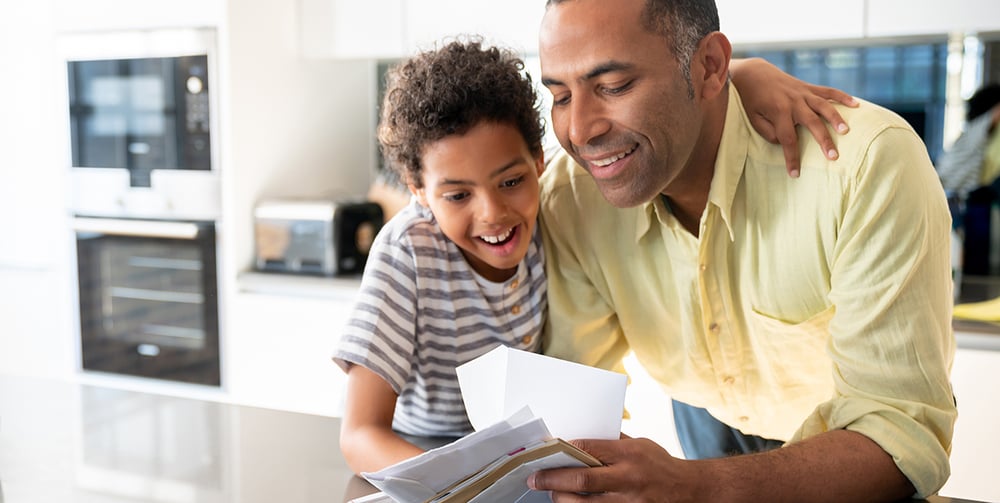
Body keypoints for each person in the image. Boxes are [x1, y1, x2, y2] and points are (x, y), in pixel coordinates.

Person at [333, 38, 857, 475]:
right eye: (456, 195)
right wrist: (455, 484)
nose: (492, 213)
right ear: (418, 191)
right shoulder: (409, 255)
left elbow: (671, 94)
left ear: (539, 162)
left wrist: (747, 73)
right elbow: (359, 435)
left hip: (515, 462)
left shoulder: (552, 211)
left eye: (511, 181)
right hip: (426, 465)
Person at [529, 0, 957, 502]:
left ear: (711, 67)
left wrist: (691, 486)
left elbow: (899, 435)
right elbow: (575, 397)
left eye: (614, 86)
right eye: (560, 96)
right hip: (705, 416)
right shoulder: (570, 199)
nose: (579, 131)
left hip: (849, 448)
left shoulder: (864, 166)